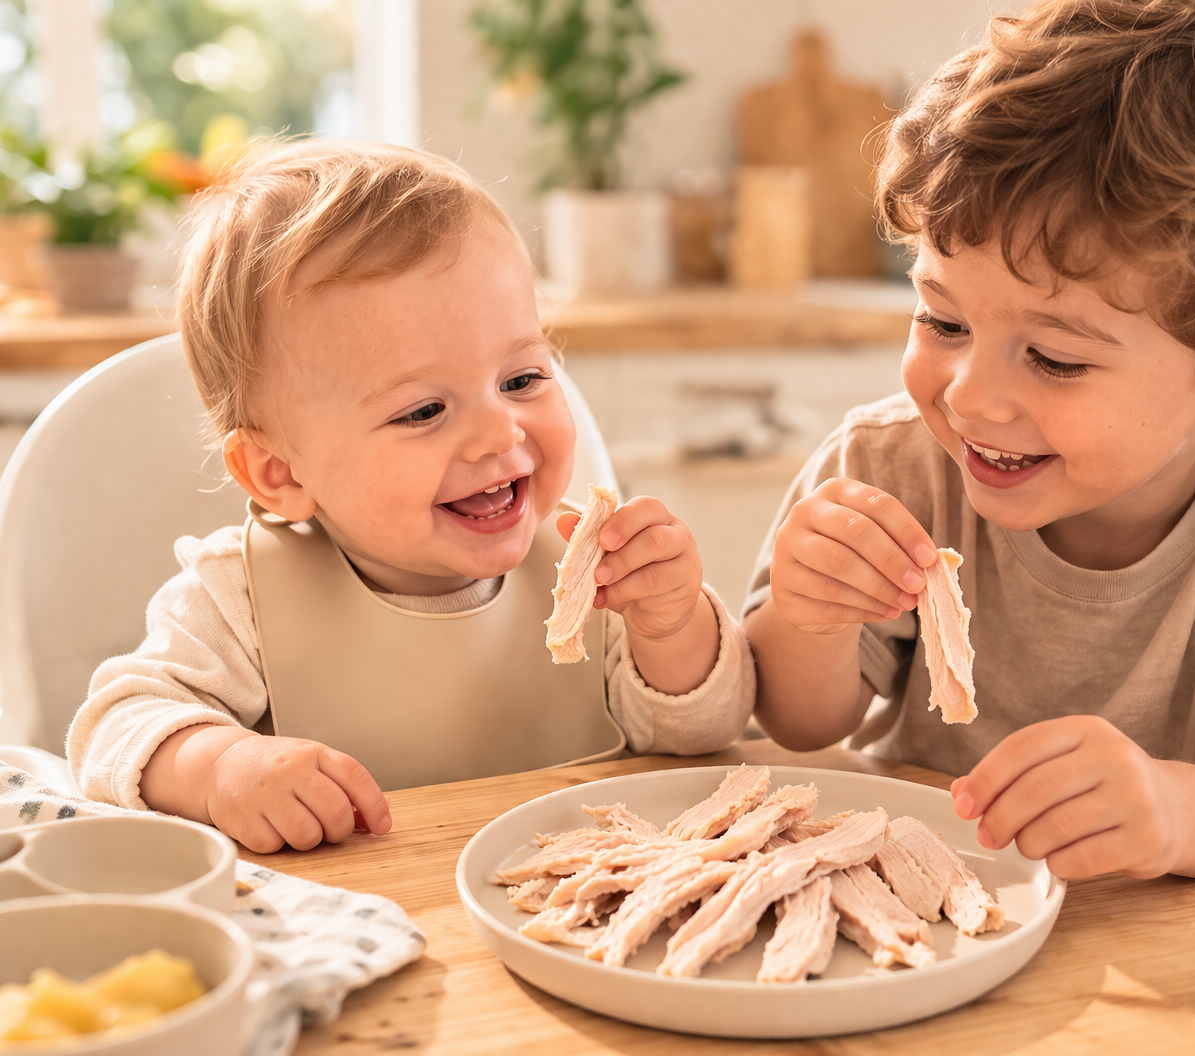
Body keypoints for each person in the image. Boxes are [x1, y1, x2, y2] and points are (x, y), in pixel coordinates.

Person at [744, 0, 1195, 881]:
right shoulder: (890, 465)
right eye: (942, 320)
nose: (969, 396)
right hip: (924, 907)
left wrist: (1177, 812)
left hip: (1159, 943)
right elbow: (800, 723)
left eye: (1054, 359)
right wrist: (808, 615)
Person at [68, 141, 754, 852]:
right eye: (424, 411)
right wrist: (221, 767)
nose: (500, 432)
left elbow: (703, 735)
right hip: (366, 905)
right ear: (281, 473)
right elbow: (113, 728)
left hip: (574, 891)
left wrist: (673, 628)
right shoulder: (238, 598)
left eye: (521, 380)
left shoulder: (597, 573)